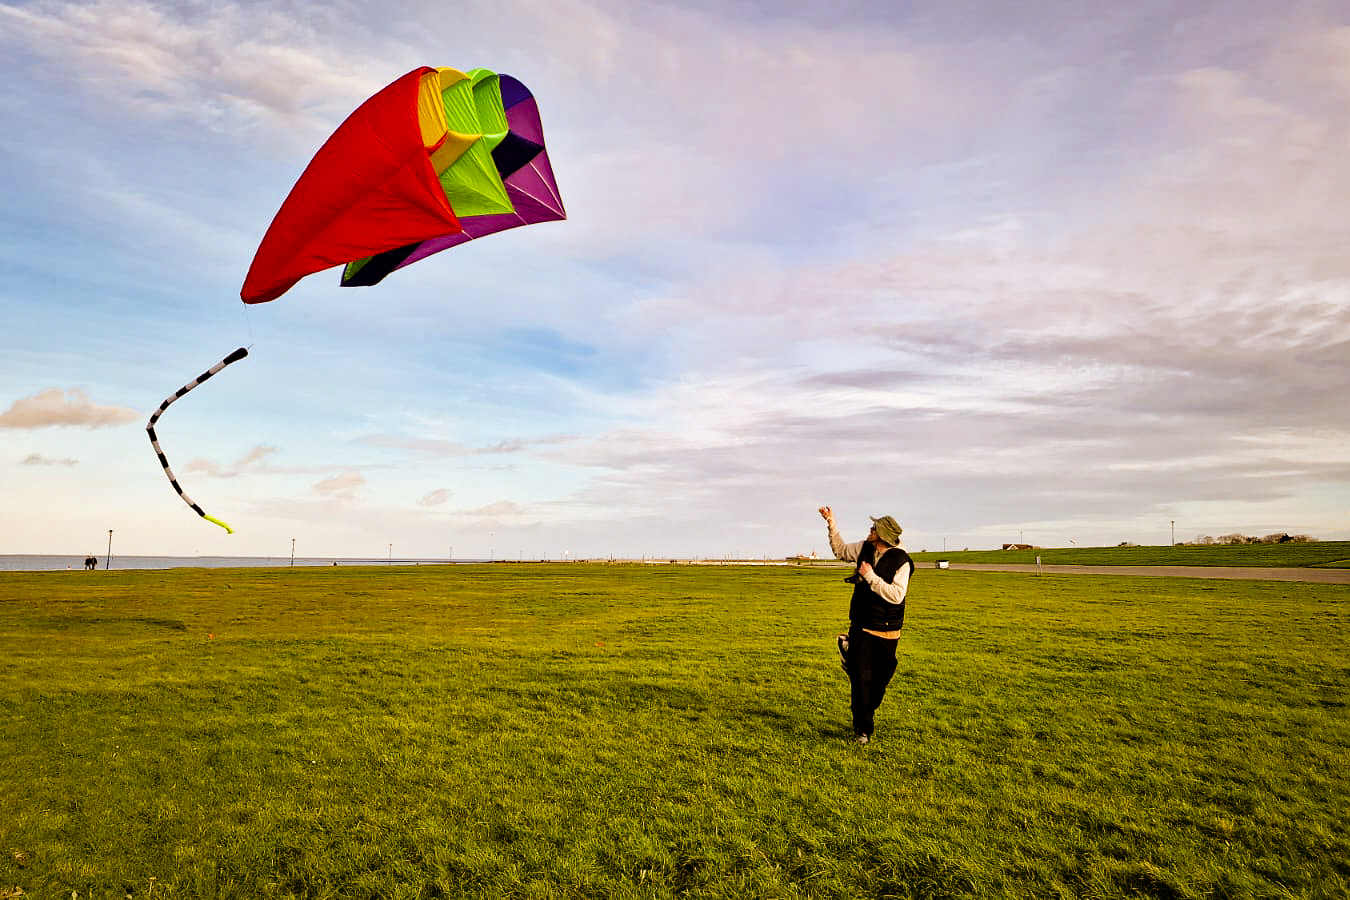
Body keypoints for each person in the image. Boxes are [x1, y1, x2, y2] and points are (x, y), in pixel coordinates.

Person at [819, 506, 914, 745]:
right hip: (861, 625)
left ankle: (850, 661)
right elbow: (840, 550)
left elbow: (896, 596)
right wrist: (831, 523)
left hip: (888, 630)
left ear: (882, 535)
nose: (870, 530)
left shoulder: (902, 560)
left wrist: (870, 577)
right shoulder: (863, 548)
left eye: (874, 528)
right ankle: (862, 730)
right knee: (860, 679)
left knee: (880, 681)